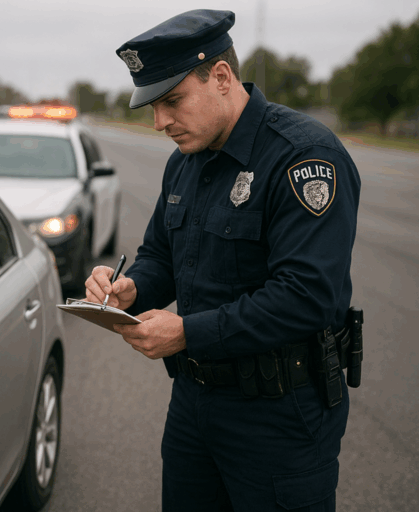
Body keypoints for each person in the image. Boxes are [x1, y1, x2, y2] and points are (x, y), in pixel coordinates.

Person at [85, 9, 361, 511]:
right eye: (152, 105)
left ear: (221, 77)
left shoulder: (302, 157)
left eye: (172, 101)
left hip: (281, 412)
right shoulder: (184, 163)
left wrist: (188, 332)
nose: (159, 122)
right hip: (195, 405)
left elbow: (307, 297)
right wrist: (131, 288)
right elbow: (159, 257)